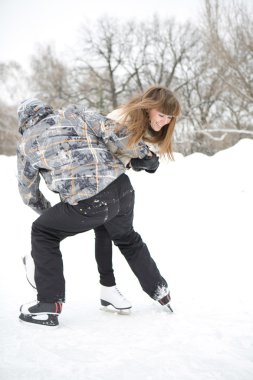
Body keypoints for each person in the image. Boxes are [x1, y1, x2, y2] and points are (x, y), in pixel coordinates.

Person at [16, 89, 178, 326]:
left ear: (24, 121)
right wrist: (146, 155)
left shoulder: (26, 143)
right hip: (121, 188)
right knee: (127, 237)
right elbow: (112, 131)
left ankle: (48, 305)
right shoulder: (72, 113)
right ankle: (160, 291)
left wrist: (52, 216)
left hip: (89, 200)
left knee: (42, 231)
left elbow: (28, 193)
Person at [94, 86, 181, 310]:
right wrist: (134, 160)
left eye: (169, 118)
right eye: (161, 114)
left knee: (105, 232)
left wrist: (140, 160)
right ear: (148, 108)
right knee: (125, 238)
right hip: (104, 184)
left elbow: (122, 151)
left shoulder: (137, 120)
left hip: (105, 184)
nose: (164, 122)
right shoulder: (121, 118)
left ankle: (108, 289)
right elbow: (100, 152)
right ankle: (157, 289)